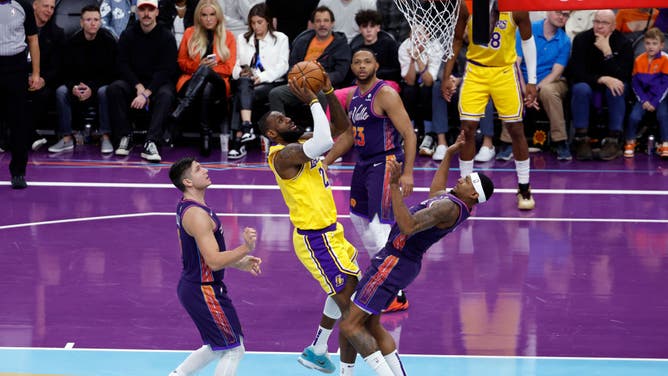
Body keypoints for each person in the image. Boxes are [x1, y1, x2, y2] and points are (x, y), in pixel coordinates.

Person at [339, 131, 494, 376]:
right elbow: (437, 189)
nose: (462, 179)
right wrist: (450, 153)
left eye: (467, 181)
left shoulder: (447, 207)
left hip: (394, 261)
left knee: (349, 324)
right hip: (402, 263)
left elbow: (408, 226)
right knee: (372, 325)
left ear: (474, 194)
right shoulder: (454, 202)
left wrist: (393, 186)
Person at [260, 68, 359, 374]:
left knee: (347, 289)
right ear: (272, 133)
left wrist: (328, 92)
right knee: (353, 312)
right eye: (280, 120)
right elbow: (325, 141)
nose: (288, 118)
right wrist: (314, 99)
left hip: (332, 232)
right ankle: (348, 371)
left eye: (286, 116)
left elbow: (343, 130)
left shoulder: (297, 143)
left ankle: (317, 350)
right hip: (315, 238)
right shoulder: (283, 155)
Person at [323, 48, 416, 313]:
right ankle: (379, 275)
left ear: (376, 65)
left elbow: (409, 133)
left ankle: (395, 292)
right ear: (352, 67)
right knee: (357, 218)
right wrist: (326, 161)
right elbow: (351, 135)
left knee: (379, 228)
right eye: (357, 62)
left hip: (385, 162)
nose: (362, 66)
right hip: (363, 164)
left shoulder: (385, 93)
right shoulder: (353, 95)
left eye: (367, 61)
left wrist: (407, 173)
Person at [168, 157, 261, 376]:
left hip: (198, 287)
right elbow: (213, 261)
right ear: (188, 182)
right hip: (203, 289)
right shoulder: (197, 215)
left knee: (215, 346)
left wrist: (239, 263)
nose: (205, 170)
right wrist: (245, 248)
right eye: (198, 169)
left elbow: (203, 255)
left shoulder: (192, 207)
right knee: (234, 350)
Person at [442, 0, 538, 210]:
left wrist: (531, 80)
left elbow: (528, 41)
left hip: (504, 71)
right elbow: (457, 39)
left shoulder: (516, 6)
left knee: (515, 129)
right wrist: (446, 75)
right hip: (476, 70)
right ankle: (465, 189)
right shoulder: (467, 5)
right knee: (467, 129)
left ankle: (524, 186)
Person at [108, 0, 177, 162]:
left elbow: (166, 70)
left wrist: (146, 93)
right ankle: (125, 137)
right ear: (137, 12)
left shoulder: (166, 36)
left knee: (166, 94)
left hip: (156, 84)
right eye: (142, 9)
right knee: (114, 88)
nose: (146, 13)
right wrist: (138, 86)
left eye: (150, 10)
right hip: (135, 82)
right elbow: (122, 64)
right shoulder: (128, 34)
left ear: (157, 12)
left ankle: (151, 141)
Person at [49, 4, 118, 155]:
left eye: (96, 19)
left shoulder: (109, 42)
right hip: (77, 88)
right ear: (81, 22)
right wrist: (73, 87)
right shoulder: (71, 42)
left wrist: (91, 89)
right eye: (88, 19)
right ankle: (66, 138)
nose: (93, 23)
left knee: (105, 90)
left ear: (100, 22)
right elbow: (64, 72)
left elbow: (111, 74)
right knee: (61, 91)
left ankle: (105, 136)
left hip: (98, 88)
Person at [566, 9, 633, 161]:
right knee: (580, 88)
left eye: (605, 23)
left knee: (618, 88)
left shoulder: (624, 43)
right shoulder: (581, 39)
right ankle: (581, 139)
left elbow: (623, 75)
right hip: (590, 83)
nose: (599, 26)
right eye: (597, 22)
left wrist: (607, 52)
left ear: (613, 26)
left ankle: (613, 140)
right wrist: (601, 79)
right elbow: (576, 72)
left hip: (614, 85)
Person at [172, 0, 236, 157]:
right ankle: (205, 134)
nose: (208, 19)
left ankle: (183, 107)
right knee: (206, 86)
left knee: (208, 76)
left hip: (219, 84)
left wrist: (208, 69)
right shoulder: (189, 33)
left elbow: (229, 68)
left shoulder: (228, 37)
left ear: (218, 16)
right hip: (192, 82)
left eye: (212, 14)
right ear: (199, 17)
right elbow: (181, 62)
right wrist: (199, 66)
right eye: (204, 15)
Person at [268, 6, 351, 116]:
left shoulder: (340, 45)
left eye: (326, 21)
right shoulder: (302, 41)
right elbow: (292, 65)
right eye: (318, 21)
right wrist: (296, 79)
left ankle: (322, 130)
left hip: (323, 87)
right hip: (300, 85)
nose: (322, 24)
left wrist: (319, 79)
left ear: (332, 23)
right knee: (275, 93)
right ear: (312, 24)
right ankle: (281, 130)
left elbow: (340, 73)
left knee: (322, 95)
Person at [230, 2, 289, 158]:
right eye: (253, 23)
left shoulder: (280, 38)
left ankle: (239, 139)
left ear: (268, 21)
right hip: (247, 83)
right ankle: (246, 128)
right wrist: (240, 73)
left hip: (271, 83)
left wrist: (261, 77)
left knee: (240, 94)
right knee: (243, 85)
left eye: (259, 22)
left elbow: (283, 66)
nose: (256, 26)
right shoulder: (242, 38)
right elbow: (236, 65)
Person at [514, 10, 573, 161]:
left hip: (549, 82)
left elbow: (556, 73)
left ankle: (560, 141)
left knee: (548, 91)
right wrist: (524, 89)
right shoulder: (526, 30)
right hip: (522, 79)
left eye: (566, 15)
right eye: (559, 13)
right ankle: (508, 142)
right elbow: (516, 65)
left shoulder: (565, 40)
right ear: (548, 12)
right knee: (511, 90)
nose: (562, 17)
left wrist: (534, 90)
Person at [1, 0, 40, 189]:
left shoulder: (23, 6)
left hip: (16, 69)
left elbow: (33, 39)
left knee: (18, 123)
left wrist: (36, 73)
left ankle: (18, 172)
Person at [399, 26, 444, 160]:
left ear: (428, 34)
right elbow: (410, 81)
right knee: (409, 91)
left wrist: (418, 58)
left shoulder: (435, 47)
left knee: (427, 91)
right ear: (409, 35)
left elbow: (429, 81)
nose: (417, 38)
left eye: (421, 34)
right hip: (413, 81)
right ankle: (409, 134)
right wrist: (412, 60)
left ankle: (429, 135)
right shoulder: (405, 47)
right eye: (414, 34)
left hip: (429, 84)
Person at [624, 28, 668, 159]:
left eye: (654, 43)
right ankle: (630, 141)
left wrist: (655, 102)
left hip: (660, 98)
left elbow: (665, 85)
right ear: (644, 44)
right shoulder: (638, 60)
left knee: (663, 115)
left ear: (661, 45)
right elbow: (635, 83)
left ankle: (665, 143)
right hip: (644, 98)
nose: (651, 47)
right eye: (648, 43)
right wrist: (644, 100)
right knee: (634, 117)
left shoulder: (666, 60)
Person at [27, 0, 64, 151]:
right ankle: (29, 135)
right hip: (18, 75)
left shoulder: (57, 33)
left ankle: (14, 137)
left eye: (52, 8)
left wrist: (43, 79)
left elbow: (58, 66)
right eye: (45, 6)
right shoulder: (19, 28)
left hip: (44, 80)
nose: (49, 10)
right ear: (35, 6)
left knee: (42, 94)